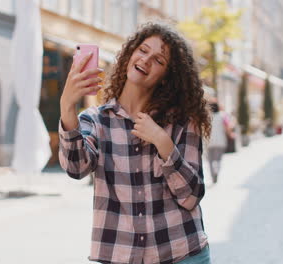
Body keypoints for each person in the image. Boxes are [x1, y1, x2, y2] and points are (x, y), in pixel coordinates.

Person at [59, 22, 212, 264]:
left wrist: (163, 142)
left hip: (182, 254)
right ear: (130, 54)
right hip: (121, 255)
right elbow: (75, 168)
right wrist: (67, 107)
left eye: (159, 60)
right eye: (143, 50)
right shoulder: (96, 121)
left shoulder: (183, 121)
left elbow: (191, 197)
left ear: (166, 77)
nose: (147, 60)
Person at [207, 100, 227, 183]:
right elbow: (226, 127)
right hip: (220, 141)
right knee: (218, 159)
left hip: (209, 141)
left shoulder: (207, 117)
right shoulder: (222, 116)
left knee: (211, 160)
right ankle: (217, 172)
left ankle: (213, 176)